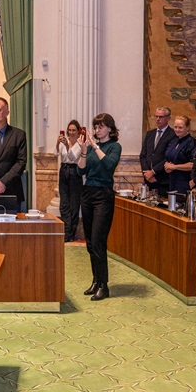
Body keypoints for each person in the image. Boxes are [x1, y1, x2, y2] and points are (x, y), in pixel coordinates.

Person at [77, 113, 122, 301]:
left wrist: (94, 146)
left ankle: (104, 285)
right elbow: (81, 169)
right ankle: (96, 280)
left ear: (110, 128)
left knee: (98, 241)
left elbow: (109, 165)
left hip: (104, 195)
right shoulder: (92, 148)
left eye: (101, 126)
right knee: (89, 242)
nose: (97, 130)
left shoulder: (114, 146)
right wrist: (84, 151)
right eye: (95, 127)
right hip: (88, 193)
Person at [56, 120, 83, 242]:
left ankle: (71, 233)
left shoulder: (80, 144)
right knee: (64, 203)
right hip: (64, 170)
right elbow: (55, 153)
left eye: (73, 130)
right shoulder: (63, 141)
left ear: (78, 132)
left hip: (74, 172)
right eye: (69, 130)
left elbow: (73, 157)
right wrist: (58, 144)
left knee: (74, 204)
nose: (71, 133)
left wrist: (67, 146)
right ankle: (66, 232)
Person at [139, 107, 175, 196]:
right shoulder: (150, 133)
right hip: (148, 180)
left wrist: (153, 172)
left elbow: (168, 158)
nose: (158, 119)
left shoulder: (173, 134)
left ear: (168, 118)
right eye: (156, 116)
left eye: (161, 117)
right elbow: (143, 155)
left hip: (162, 180)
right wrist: (147, 173)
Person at [163, 116, 196, 194]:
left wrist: (174, 167)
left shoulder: (192, 142)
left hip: (184, 182)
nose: (177, 130)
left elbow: (193, 165)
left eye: (180, 127)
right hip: (171, 181)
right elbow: (167, 157)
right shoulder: (173, 141)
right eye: (175, 127)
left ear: (188, 128)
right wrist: (166, 165)